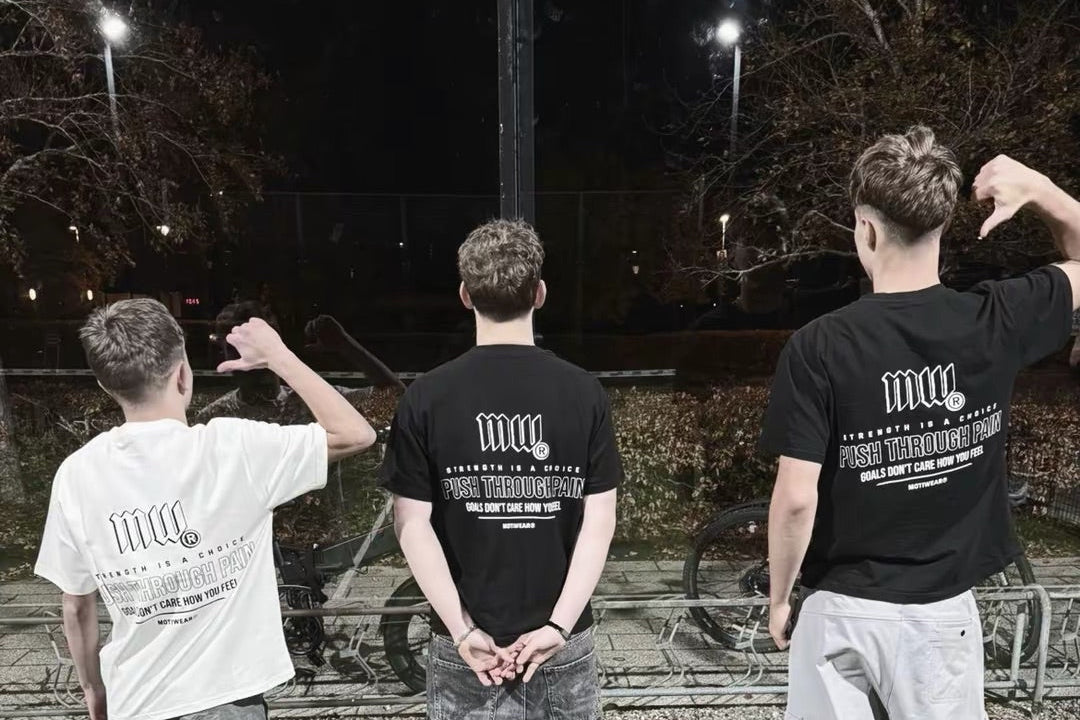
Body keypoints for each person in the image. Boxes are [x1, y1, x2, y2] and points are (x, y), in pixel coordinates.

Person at [760, 126, 1080, 720]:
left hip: (840, 610)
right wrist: (1040, 190)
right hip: (941, 614)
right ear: (941, 225)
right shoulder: (997, 317)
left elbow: (797, 498)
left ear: (866, 228)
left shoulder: (819, 345)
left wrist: (780, 598)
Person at [34, 298, 377, 720]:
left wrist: (93, 689)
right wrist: (278, 356)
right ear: (183, 373)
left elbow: (76, 604)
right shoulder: (233, 449)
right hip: (227, 699)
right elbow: (356, 434)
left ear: (106, 386)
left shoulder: (76, 475)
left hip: (135, 700)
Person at [381, 219, 621, 719]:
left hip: (468, 647)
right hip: (561, 643)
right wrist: (557, 627)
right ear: (540, 293)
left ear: (465, 295)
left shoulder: (425, 397)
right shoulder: (584, 392)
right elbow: (599, 522)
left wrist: (462, 629)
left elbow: (411, 525)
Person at [197, 301, 403, 424]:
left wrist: (346, 345)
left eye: (255, 346)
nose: (249, 357)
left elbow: (396, 401)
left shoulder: (313, 404)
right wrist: (346, 345)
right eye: (237, 348)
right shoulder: (215, 418)